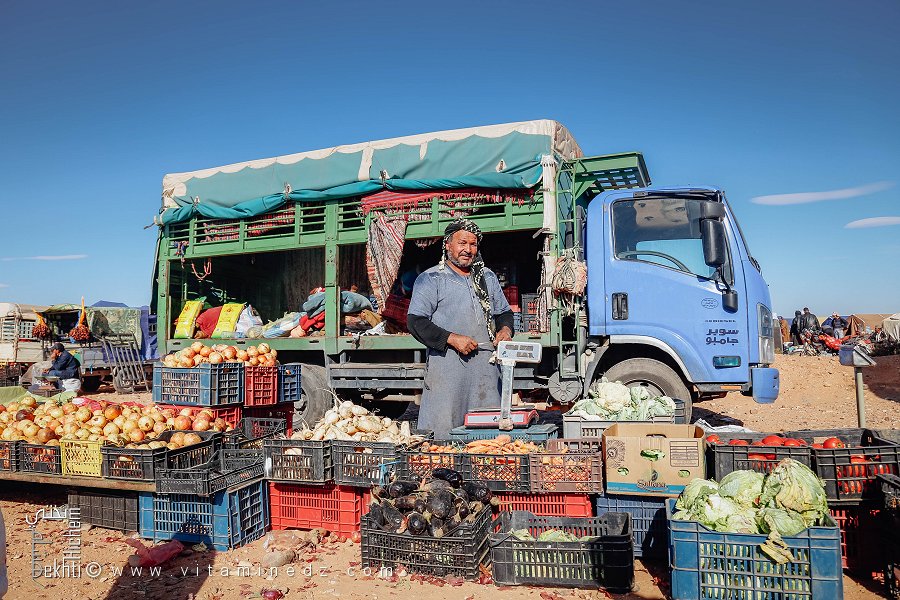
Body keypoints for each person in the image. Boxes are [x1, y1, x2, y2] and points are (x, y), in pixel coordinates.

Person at [407, 218, 515, 438]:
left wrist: (505, 330)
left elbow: (504, 312)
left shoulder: (488, 277)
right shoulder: (431, 279)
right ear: (447, 244)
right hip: (447, 369)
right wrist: (452, 338)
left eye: (473, 244)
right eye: (462, 243)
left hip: (485, 369)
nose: (468, 249)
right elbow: (416, 321)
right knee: (444, 432)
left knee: (487, 435)